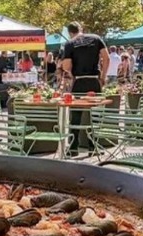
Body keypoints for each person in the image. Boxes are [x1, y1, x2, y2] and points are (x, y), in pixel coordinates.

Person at [61, 21, 109, 155]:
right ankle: (93, 147)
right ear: (81, 29)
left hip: (79, 82)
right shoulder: (96, 38)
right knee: (96, 114)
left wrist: (70, 74)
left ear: (70, 33)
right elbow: (107, 58)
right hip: (94, 81)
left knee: (76, 115)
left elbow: (66, 66)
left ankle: (73, 148)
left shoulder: (70, 44)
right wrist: (103, 76)